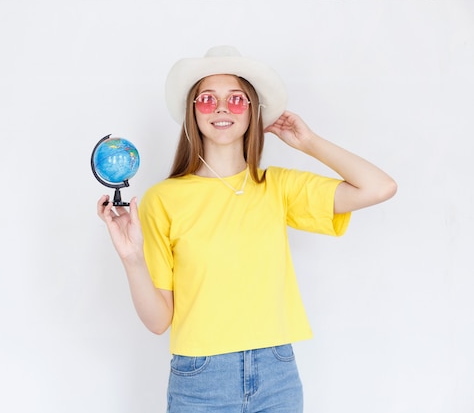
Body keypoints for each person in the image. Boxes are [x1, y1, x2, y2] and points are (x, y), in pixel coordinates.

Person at [96, 45, 397, 413]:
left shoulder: (278, 188)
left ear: (253, 113)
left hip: (277, 375)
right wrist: (131, 259)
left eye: (236, 100)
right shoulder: (163, 199)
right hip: (201, 379)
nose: (222, 108)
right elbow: (159, 322)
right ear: (193, 112)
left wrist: (308, 142)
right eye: (207, 99)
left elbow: (379, 187)